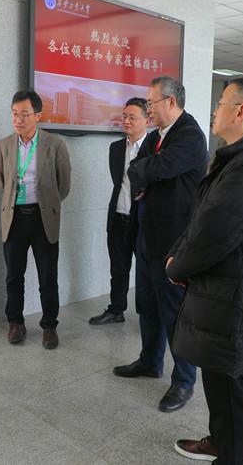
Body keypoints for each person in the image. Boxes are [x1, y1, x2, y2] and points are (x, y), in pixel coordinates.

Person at [169, 77, 243, 465]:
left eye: (221, 102)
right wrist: (179, 255)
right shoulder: (240, 157)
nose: (214, 110)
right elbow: (204, 218)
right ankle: (220, 442)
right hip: (225, 287)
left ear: (241, 111)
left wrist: (178, 266)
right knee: (218, 373)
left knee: (229, 381)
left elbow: (216, 233)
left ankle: (231, 455)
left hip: (237, 292)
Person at [113, 76, 208, 412]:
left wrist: (146, 173)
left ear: (170, 101)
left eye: (151, 103)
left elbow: (161, 167)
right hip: (147, 234)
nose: (148, 109)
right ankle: (150, 361)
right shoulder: (155, 136)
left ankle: (184, 381)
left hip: (174, 240)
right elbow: (135, 168)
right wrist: (146, 175)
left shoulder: (190, 134)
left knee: (175, 312)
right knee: (147, 305)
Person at [0, 90, 71, 349]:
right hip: (14, 218)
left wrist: (48, 203)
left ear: (38, 116)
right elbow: (3, 181)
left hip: (43, 218)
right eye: (14, 114)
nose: (18, 119)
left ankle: (49, 326)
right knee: (13, 276)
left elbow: (64, 185)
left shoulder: (55, 144)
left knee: (47, 277)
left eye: (24, 114)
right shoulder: (4, 145)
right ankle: (15, 323)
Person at [88, 97, 148, 325]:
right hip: (118, 216)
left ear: (147, 120)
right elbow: (119, 183)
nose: (127, 121)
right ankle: (116, 309)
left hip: (142, 220)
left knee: (145, 271)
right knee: (118, 268)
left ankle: (148, 315)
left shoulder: (154, 149)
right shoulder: (116, 148)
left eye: (132, 117)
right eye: (124, 116)